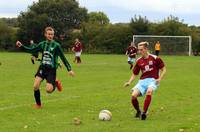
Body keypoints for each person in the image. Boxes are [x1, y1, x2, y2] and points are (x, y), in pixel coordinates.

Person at [16, 27, 75, 109]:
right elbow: (32, 50)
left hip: (51, 70)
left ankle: (55, 82)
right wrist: (21, 46)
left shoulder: (56, 46)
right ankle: (38, 104)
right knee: (35, 86)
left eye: (52, 34)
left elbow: (63, 57)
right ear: (45, 34)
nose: (50, 36)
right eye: (49, 34)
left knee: (48, 90)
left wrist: (69, 69)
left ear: (53, 35)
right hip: (42, 68)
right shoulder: (42, 44)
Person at [124, 41, 166, 120]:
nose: (139, 52)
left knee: (149, 92)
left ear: (146, 49)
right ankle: (138, 111)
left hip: (153, 80)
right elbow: (135, 74)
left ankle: (144, 113)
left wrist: (160, 79)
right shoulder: (139, 61)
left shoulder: (155, 58)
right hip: (142, 81)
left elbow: (164, 69)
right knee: (133, 96)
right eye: (139, 50)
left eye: (141, 50)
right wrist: (129, 82)